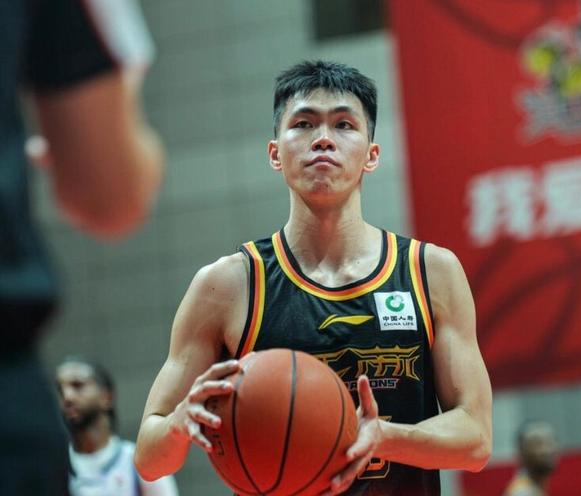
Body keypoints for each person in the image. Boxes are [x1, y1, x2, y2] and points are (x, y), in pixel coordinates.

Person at [134, 60, 492, 495]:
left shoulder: (430, 272)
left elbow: (476, 439)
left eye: (344, 124)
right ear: (275, 153)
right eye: (303, 124)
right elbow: (149, 459)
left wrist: (382, 436)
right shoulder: (227, 285)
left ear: (372, 155)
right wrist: (178, 424)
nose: (323, 138)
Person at [1, 1, 163, 494]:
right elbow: (110, 196)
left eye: (79, 385)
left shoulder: (135, 464)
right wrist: (118, 101)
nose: (71, 396)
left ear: (107, 396)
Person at [55, 357, 178, 496]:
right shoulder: (53, 467)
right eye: (60, 390)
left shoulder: (138, 462)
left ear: (106, 397)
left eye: (78, 385)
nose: (67, 397)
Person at [503, 420, 559, 496]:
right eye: (537, 444)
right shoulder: (522, 492)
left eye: (550, 443)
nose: (546, 450)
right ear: (521, 451)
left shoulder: (534, 489)